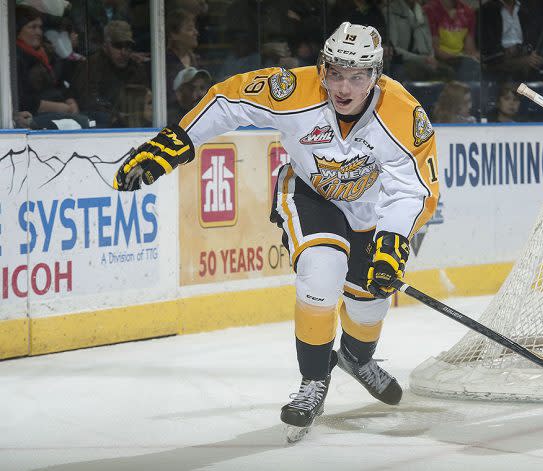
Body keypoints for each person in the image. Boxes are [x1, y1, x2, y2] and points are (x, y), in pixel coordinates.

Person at [112, 22, 439, 433]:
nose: (343, 87)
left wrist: (393, 240)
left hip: (371, 209)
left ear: (376, 75)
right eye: (335, 73)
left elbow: (415, 188)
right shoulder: (294, 89)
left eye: (357, 77)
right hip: (310, 194)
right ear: (322, 67)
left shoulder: (404, 114)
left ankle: (357, 357)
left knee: (368, 299)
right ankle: (314, 379)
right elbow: (229, 99)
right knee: (321, 272)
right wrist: (176, 142)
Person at [72, 20, 147, 127]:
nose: (124, 52)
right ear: (105, 45)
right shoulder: (90, 66)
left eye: (128, 46)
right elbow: (87, 101)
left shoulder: (136, 68)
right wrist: (115, 115)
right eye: (118, 45)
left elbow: (145, 100)